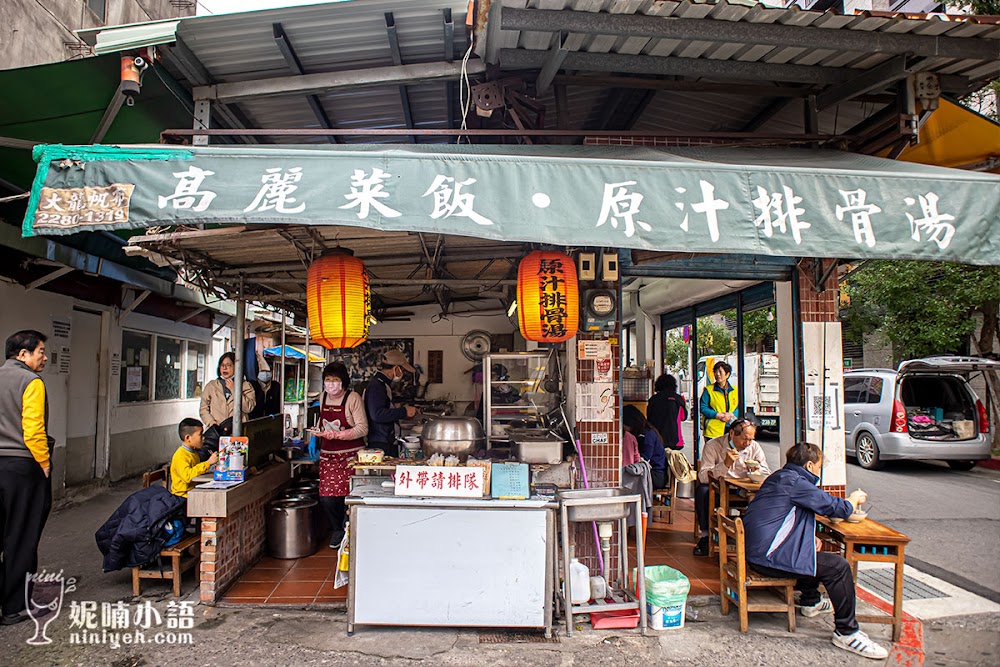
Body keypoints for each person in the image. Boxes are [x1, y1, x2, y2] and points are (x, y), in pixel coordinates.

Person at [742, 443, 887, 660]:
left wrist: (810, 537)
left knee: (809, 547)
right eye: (818, 467)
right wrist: (854, 499)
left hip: (757, 552)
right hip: (768, 557)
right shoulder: (796, 483)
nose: (818, 471)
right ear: (810, 465)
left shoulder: (778, 476)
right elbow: (838, 508)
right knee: (838, 567)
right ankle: (847, 632)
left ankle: (811, 601)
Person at [0, 330, 54, 625]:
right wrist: (43, 463)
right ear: (23, 355)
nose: (44, 358)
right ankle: (14, 607)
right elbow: (33, 428)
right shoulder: (31, 382)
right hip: (22, 467)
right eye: (40, 352)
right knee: (20, 537)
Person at [693, 418, 770, 556]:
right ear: (732, 433)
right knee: (702, 492)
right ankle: (705, 536)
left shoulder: (754, 447)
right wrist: (725, 464)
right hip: (719, 490)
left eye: (751, 439)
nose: (747, 443)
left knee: (765, 497)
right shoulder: (713, 446)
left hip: (743, 491)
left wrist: (756, 469)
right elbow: (703, 476)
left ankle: (754, 537)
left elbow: (766, 471)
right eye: (744, 439)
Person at [315, 362, 368, 548]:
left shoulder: (352, 398)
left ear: (343, 381)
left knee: (349, 495)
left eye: (335, 380)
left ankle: (350, 531)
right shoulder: (322, 397)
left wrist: (339, 435)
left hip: (350, 456)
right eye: (327, 380)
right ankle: (337, 529)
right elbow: (323, 422)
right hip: (328, 455)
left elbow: (362, 428)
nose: (331, 384)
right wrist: (319, 431)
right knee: (327, 497)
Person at [364, 349, 417, 456]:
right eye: (402, 369)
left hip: (385, 440)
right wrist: (403, 411)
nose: (402, 373)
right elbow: (377, 414)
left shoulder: (382, 383)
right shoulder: (377, 386)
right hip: (381, 442)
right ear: (396, 368)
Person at [199, 352, 256, 450]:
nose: (225, 368)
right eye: (222, 365)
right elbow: (203, 409)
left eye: (228, 365)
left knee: (236, 461)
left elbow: (249, 407)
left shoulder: (246, 385)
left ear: (236, 367)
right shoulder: (211, 386)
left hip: (237, 434)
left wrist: (234, 390)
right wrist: (211, 422)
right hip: (217, 434)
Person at [622, 405, 668, 490]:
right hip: (651, 472)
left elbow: (644, 460)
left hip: (656, 475)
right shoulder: (643, 432)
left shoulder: (648, 434)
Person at [169, 418, 218, 499]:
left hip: (193, 492)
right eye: (200, 435)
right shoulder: (181, 455)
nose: (203, 438)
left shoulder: (194, 452)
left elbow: (197, 471)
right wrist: (208, 463)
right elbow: (187, 476)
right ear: (188, 438)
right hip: (183, 497)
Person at [646, 373, 687, 451]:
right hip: (675, 439)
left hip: (657, 438)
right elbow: (683, 417)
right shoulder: (678, 399)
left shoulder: (653, 399)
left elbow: (649, 418)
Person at [700, 360, 738, 439]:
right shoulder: (709, 390)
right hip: (713, 430)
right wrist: (717, 415)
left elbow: (740, 406)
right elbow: (703, 407)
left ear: (727, 375)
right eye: (715, 372)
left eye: (720, 372)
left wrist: (731, 415)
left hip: (731, 427)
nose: (717, 374)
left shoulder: (735, 390)